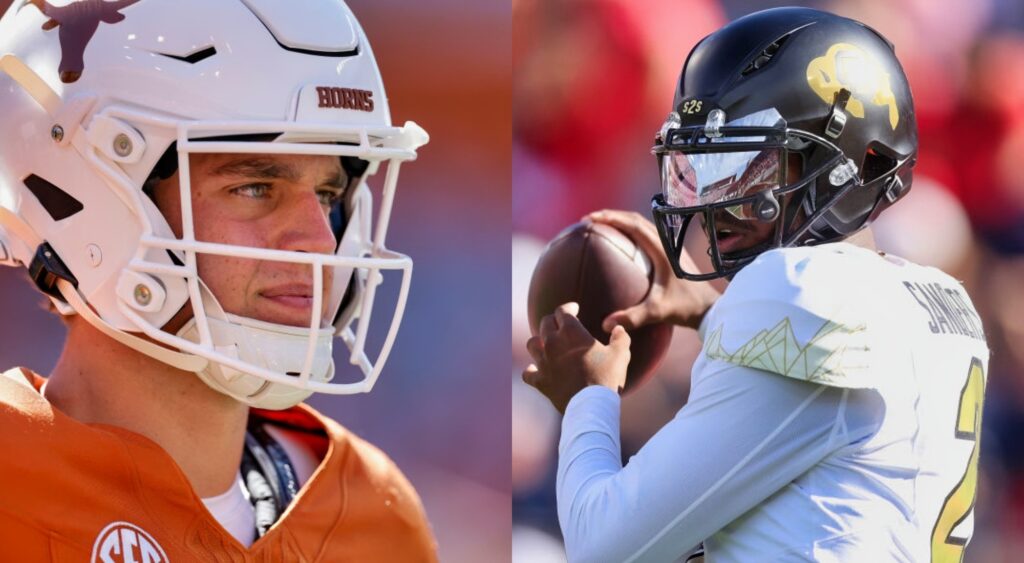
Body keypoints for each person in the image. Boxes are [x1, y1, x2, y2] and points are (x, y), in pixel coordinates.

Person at [524, 7, 989, 562]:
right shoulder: (937, 301)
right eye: (699, 168)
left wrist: (586, 396)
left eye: (748, 163)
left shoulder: (798, 290)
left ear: (854, 164)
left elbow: (602, 545)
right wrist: (704, 308)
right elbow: (820, 418)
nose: (715, 204)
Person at [0, 0, 436, 560]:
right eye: (255, 187)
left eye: (327, 194)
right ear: (88, 199)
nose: (319, 241)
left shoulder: (378, 517)